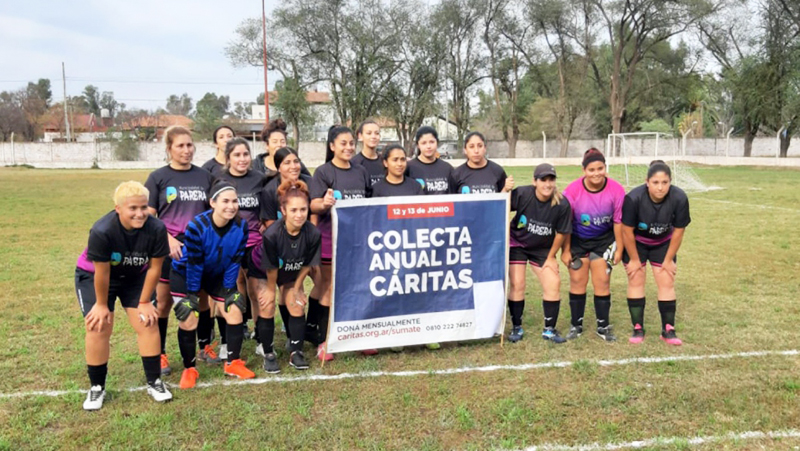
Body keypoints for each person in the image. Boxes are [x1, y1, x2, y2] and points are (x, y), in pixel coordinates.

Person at [75, 181, 172, 410]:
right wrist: (100, 304)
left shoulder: (157, 228)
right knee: (99, 325)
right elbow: (102, 271)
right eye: (133, 209)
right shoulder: (102, 230)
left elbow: (155, 268)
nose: (140, 214)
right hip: (97, 277)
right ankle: (97, 387)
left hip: (136, 277)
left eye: (143, 207)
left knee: (147, 322)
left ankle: (154, 381)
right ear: (118, 208)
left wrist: (145, 301)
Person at [144, 125, 216, 376]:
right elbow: (149, 217)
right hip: (168, 250)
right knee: (163, 302)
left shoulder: (204, 176)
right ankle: (160, 353)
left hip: (199, 249)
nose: (187, 150)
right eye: (180, 146)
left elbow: (214, 212)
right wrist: (168, 240)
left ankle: (205, 346)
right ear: (169, 149)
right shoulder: (158, 178)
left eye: (189, 145)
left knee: (203, 299)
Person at [170, 181, 254, 387]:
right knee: (189, 317)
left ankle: (232, 363)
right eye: (225, 201)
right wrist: (191, 295)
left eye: (235, 201)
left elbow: (235, 260)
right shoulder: (197, 227)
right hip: (186, 273)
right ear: (212, 203)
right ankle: (189, 369)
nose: (231, 206)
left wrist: (228, 289)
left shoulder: (242, 226)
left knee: (234, 309)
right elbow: (194, 263)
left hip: (216, 274)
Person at [310, 125, 371, 361]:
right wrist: (324, 203)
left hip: (358, 242)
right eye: (342, 143)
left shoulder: (361, 171)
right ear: (332, 146)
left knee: (358, 289)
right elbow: (313, 204)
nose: (348, 147)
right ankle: (326, 341)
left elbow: (368, 202)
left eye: (350, 144)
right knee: (330, 289)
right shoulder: (323, 172)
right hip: (331, 241)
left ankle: (359, 337)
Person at [621, 161, 690, 345]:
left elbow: (679, 231)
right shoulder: (633, 198)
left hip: (663, 243)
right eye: (655, 182)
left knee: (666, 280)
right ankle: (637, 328)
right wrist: (634, 259)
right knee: (636, 278)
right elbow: (626, 231)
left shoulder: (679, 198)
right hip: (637, 243)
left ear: (670, 182)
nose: (660, 187)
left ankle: (668, 330)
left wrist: (668, 260)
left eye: (665, 182)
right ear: (647, 182)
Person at [256, 179, 321, 372]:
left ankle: (296, 351)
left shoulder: (313, 233)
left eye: (303, 210)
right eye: (293, 210)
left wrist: (296, 287)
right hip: (263, 270)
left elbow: (308, 263)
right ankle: (268, 353)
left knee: (296, 302)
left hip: (292, 270)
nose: (299, 215)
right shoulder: (272, 234)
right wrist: (269, 289)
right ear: (283, 211)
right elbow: (270, 268)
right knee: (266, 303)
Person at [561, 148, 625, 342]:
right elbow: (565, 224)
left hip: (603, 241)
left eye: (600, 168)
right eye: (591, 169)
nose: (596, 173)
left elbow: (618, 222)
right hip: (578, 241)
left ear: (605, 168)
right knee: (578, 282)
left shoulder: (616, 190)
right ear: (583, 170)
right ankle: (576, 326)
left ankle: (603, 327)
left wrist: (620, 248)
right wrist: (565, 251)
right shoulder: (572, 191)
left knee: (602, 282)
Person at [507, 164, 572, 344]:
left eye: (551, 180)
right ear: (534, 181)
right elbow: (502, 206)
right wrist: (505, 189)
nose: (547, 184)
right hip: (517, 243)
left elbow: (562, 233)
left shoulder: (562, 204)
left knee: (553, 282)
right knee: (517, 283)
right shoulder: (523, 194)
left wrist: (552, 257)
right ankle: (516, 327)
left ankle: (549, 330)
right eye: (543, 180)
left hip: (543, 249)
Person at [216, 138, 270, 358]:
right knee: (228, 292)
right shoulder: (219, 180)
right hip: (227, 245)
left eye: (245, 154)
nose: (242, 159)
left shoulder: (259, 178)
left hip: (255, 245)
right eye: (236, 155)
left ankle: (260, 337)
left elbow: (266, 209)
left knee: (258, 291)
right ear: (228, 158)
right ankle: (226, 340)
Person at [406, 126, 454, 195]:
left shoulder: (447, 168)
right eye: (424, 143)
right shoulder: (409, 168)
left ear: (437, 143)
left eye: (432, 142)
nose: (428, 146)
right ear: (418, 145)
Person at [352, 119, 385, 186]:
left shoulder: (385, 162)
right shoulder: (354, 163)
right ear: (360, 136)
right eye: (369, 133)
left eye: (377, 133)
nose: (373, 137)